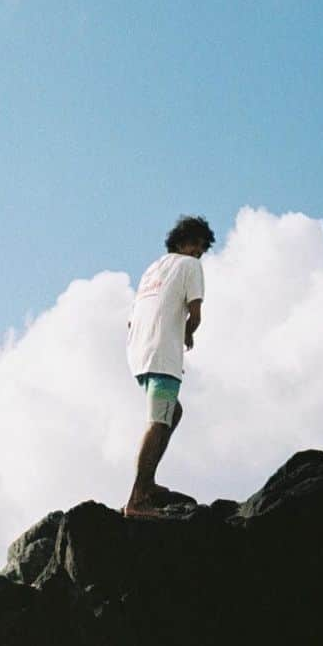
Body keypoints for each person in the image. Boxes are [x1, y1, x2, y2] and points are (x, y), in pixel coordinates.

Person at [123, 214, 215, 519]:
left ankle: (147, 483)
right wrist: (188, 333)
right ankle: (137, 498)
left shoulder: (152, 270)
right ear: (180, 242)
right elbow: (196, 313)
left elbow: (131, 319)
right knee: (159, 421)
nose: (198, 252)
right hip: (163, 355)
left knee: (172, 412)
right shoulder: (191, 267)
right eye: (195, 245)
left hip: (139, 352)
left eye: (202, 249)